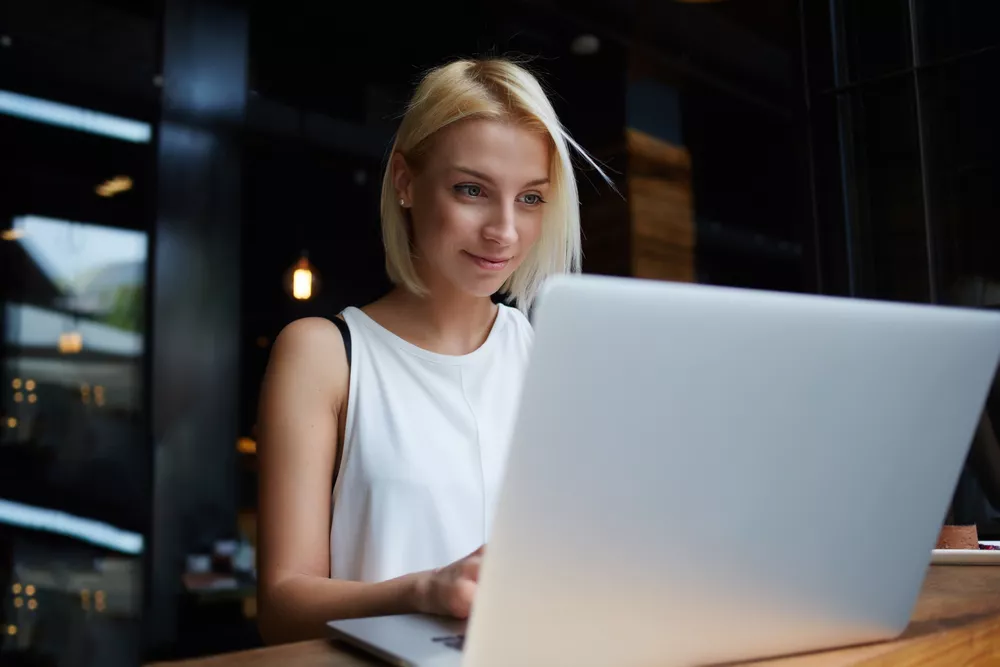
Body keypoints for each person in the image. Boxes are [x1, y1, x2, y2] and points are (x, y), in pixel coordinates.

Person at [255, 57, 607, 644]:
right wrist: (423, 592)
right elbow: (281, 605)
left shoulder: (553, 356)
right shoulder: (325, 355)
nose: (504, 230)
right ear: (404, 181)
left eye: (530, 198)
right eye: (472, 190)